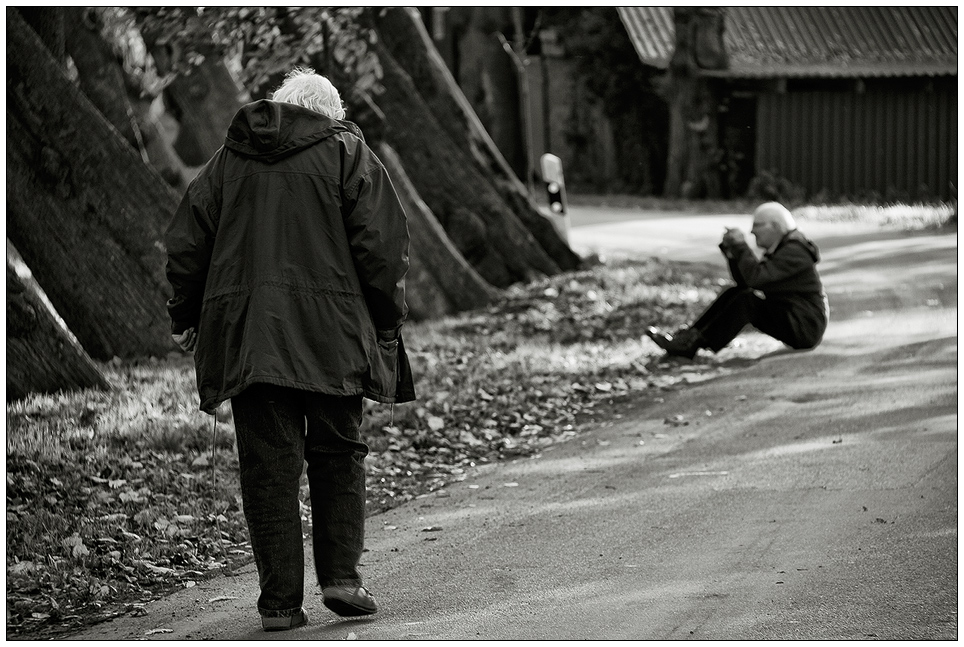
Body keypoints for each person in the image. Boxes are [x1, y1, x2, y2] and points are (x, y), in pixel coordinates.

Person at [164, 68, 415, 631]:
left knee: (267, 471)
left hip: (252, 338)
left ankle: (279, 603)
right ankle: (342, 580)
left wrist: (185, 317)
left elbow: (185, 245)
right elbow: (384, 247)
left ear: (281, 109)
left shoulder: (229, 161)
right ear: (329, 114)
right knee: (338, 454)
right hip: (333, 336)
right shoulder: (348, 153)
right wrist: (387, 322)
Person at [646, 202, 829, 359]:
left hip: (805, 327)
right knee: (737, 293)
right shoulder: (786, 247)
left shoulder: (794, 251)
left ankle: (692, 345)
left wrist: (741, 247)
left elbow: (755, 279)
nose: (752, 230)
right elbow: (745, 283)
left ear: (776, 226)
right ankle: (690, 338)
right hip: (796, 318)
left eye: (758, 225)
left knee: (746, 301)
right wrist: (732, 252)